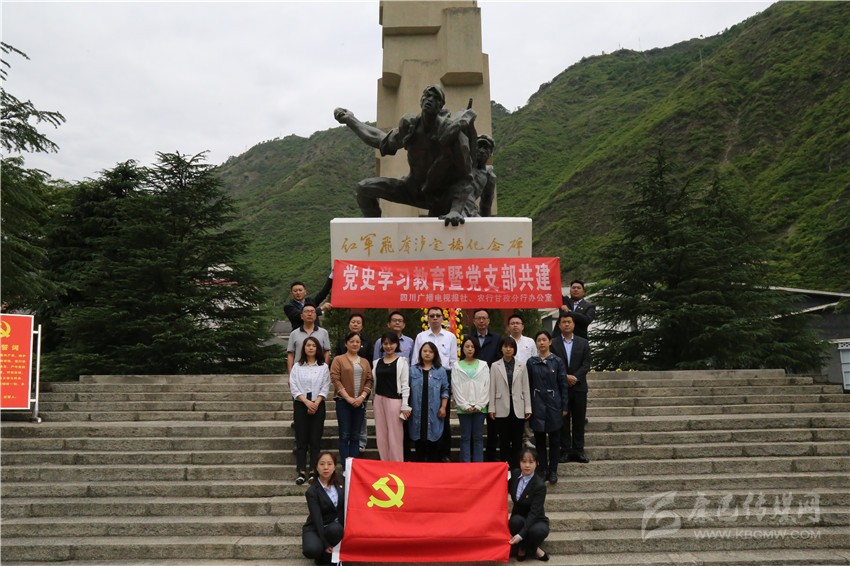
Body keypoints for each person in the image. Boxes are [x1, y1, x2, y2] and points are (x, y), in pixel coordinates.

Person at [334, 84, 484, 226]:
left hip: (443, 196)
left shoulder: (453, 136)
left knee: (450, 227)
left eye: (435, 98)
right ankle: (375, 232)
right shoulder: (411, 126)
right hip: (414, 189)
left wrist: (455, 210)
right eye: (427, 95)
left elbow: (465, 178)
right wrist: (350, 120)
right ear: (421, 100)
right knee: (364, 188)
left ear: (440, 106)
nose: (430, 99)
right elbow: (380, 139)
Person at [413, 306, 459, 461]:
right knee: (422, 414)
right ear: (428, 318)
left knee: (442, 416)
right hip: (422, 376)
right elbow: (415, 359)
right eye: (431, 315)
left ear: (442, 318)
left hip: (442, 376)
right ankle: (423, 453)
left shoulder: (450, 337)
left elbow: (453, 361)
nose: (434, 318)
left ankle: (443, 453)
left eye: (437, 315)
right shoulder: (421, 337)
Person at [526, 331, 568, 484]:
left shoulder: (557, 361)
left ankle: (553, 470)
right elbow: (528, 384)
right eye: (539, 340)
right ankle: (543, 469)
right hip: (537, 404)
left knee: (555, 440)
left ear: (550, 342)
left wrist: (564, 405)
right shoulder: (531, 362)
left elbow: (563, 384)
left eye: (544, 340)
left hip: (553, 404)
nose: (542, 342)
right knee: (540, 441)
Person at [550, 312, 592, 464]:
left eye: (569, 322)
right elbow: (552, 363)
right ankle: (565, 450)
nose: (566, 324)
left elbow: (586, 364)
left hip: (579, 387)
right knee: (563, 420)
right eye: (564, 322)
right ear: (559, 325)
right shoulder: (553, 343)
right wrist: (565, 376)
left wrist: (575, 377)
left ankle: (579, 450)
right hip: (561, 387)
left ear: (573, 324)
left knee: (579, 420)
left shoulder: (583, 343)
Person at [372, 311, 414, 458]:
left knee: (395, 436)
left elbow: (405, 385)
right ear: (382, 345)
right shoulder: (376, 362)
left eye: (391, 343)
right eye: (385, 344)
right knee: (381, 435)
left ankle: (396, 465)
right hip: (379, 400)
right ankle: (385, 463)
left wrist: (405, 404)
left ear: (397, 345)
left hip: (395, 401)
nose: (388, 346)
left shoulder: (402, 362)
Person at [289, 336, 330, 485]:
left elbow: (325, 386)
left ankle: (313, 471)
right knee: (301, 439)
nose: (311, 348)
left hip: (318, 405)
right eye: (308, 345)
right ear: (304, 348)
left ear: (317, 348)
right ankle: (301, 471)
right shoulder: (297, 367)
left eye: (313, 345)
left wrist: (315, 403)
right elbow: (293, 386)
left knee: (315, 440)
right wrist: (306, 402)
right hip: (301, 404)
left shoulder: (323, 367)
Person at [330, 332, 373, 461]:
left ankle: (354, 465)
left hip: (360, 402)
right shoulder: (338, 360)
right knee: (344, 435)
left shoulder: (365, 362)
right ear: (346, 343)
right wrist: (348, 398)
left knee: (356, 436)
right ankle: (345, 466)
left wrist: (362, 397)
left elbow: (369, 380)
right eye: (352, 341)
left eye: (357, 342)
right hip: (343, 402)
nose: (355, 344)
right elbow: (335, 379)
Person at [464, 308, 501, 461]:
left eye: (484, 318)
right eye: (478, 318)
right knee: (473, 425)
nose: (481, 321)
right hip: (473, 385)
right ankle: (472, 456)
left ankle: (491, 455)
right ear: (473, 321)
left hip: (491, 384)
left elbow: (499, 359)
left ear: (488, 320)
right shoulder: (468, 338)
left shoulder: (496, 338)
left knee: (493, 423)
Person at [489, 336, 532, 469]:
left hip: (518, 406)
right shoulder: (495, 366)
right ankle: (505, 469)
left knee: (517, 441)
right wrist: (492, 408)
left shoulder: (521, 365)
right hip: (501, 406)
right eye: (505, 346)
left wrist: (528, 408)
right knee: (504, 441)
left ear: (514, 349)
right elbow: (492, 388)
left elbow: (526, 387)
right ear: (501, 348)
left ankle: (516, 469)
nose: (508, 349)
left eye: (511, 347)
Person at [408, 342, 449, 462]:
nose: (427, 353)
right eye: (425, 351)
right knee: (419, 443)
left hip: (434, 412)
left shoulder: (440, 371)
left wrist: (443, 407)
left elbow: (445, 390)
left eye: (431, 351)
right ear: (420, 352)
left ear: (435, 354)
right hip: (417, 411)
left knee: (433, 445)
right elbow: (406, 389)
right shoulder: (412, 370)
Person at [302, 451, 345, 565]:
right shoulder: (312, 491)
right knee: (311, 549)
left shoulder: (341, 480)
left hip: (334, 527)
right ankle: (322, 554)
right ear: (316, 467)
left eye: (329, 464)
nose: (326, 467)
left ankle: (329, 555)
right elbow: (317, 519)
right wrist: (325, 544)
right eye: (322, 464)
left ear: (334, 466)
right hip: (316, 527)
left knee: (336, 529)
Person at [508, 448, 551, 562]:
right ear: (519, 462)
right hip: (519, 517)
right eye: (524, 461)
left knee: (538, 531)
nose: (527, 465)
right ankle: (530, 547)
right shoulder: (515, 474)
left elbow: (534, 513)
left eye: (531, 462)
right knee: (514, 522)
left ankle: (529, 546)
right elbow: (501, 484)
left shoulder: (539, 485)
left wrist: (520, 536)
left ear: (536, 463)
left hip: (536, 519)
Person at [453, 337, 490, 463]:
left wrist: (480, 405)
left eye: (472, 347)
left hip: (480, 408)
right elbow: (455, 386)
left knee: (478, 437)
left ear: (476, 348)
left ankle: (478, 465)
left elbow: (487, 386)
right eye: (467, 346)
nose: (469, 349)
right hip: (463, 408)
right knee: (465, 437)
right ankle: (466, 465)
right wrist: (464, 405)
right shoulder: (457, 366)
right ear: (462, 348)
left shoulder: (483, 365)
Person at [287, 305, 331, 374]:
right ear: (302, 316)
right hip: (299, 371)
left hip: (318, 371)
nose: (309, 314)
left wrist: (324, 370)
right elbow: (291, 355)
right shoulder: (294, 334)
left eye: (312, 311)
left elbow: (326, 352)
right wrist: (291, 374)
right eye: (306, 312)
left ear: (316, 316)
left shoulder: (323, 332)